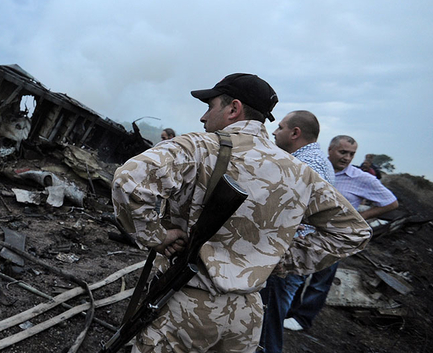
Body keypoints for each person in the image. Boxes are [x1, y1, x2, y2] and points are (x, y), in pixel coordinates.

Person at [112, 73, 371, 353]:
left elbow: (129, 181)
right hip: (247, 316)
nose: (203, 117)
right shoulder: (300, 173)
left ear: (233, 109)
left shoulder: (200, 147)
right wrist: (282, 259)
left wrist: (156, 235)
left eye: (209, 106)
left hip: (184, 305)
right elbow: (353, 231)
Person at [284, 135, 398, 332]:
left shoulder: (361, 178)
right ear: (330, 150)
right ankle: (288, 313)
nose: (347, 157)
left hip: (333, 239)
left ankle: (303, 319)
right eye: (343, 152)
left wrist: (360, 218)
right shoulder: (317, 168)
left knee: (321, 281)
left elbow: (391, 203)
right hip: (306, 234)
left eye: (351, 154)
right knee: (297, 273)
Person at [258, 110, 335, 353]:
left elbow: (286, 214)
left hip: (286, 256)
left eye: (279, 127)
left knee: (266, 324)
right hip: (295, 253)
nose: (274, 131)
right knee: (267, 320)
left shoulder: (305, 165)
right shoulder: (316, 161)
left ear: (295, 133)